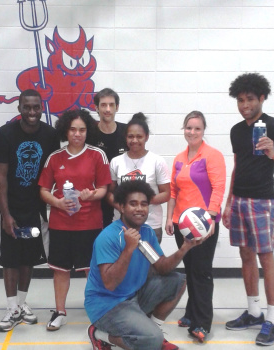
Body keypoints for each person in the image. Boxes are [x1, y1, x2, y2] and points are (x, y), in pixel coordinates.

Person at [222, 73, 274, 346]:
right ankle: (254, 311)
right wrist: (229, 202)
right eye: (240, 100)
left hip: (263, 201)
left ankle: (272, 319)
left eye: (250, 99)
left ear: (262, 98)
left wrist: (273, 153)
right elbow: (237, 167)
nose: (245, 105)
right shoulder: (236, 130)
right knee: (245, 255)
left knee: (266, 257)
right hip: (239, 200)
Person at [85, 181, 202, 350]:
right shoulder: (108, 237)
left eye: (144, 204)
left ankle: (155, 331)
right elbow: (110, 284)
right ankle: (99, 334)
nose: (139, 208)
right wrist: (128, 249)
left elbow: (161, 266)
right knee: (151, 341)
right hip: (106, 305)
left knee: (178, 281)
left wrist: (185, 248)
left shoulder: (146, 232)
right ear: (122, 207)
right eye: (133, 204)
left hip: (133, 296)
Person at [0, 89, 60, 332]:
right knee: (10, 257)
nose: (32, 112)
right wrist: (5, 213)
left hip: (36, 209)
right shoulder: (4, 135)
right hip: (11, 207)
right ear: (19, 108)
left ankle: (21, 304)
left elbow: (54, 171)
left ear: (41, 108)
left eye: (36, 107)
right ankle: (11, 308)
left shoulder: (51, 135)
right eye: (27, 107)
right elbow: (0, 177)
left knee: (28, 256)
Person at [38, 109, 112, 331]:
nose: (77, 134)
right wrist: (57, 203)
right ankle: (60, 312)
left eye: (82, 129)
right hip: (60, 224)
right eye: (73, 129)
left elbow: (104, 188)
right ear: (65, 131)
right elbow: (43, 190)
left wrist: (92, 195)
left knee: (92, 270)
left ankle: (97, 313)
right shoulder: (55, 157)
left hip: (90, 224)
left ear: (87, 131)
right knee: (60, 270)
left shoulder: (97, 155)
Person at [165, 111, 226, 342]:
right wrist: (170, 218)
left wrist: (210, 219)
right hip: (182, 225)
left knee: (201, 272)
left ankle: (202, 323)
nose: (192, 132)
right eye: (188, 128)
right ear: (184, 129)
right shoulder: (179, 157)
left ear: (203, 131)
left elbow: (218, 188)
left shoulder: (213, 155)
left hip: (203, 226)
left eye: (197, 128)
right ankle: (191, 314)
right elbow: (173, 190)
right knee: (189, 270)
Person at [108, 112, 170, 242]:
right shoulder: (116, 162)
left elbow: (166, 194)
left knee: (149, 263)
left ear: (146, 137)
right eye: (130, 136)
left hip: (150, 225)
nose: (134, 140)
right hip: (122, 225)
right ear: (125, 137)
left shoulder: (157, 161)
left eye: (139, 136)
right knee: (122, 262)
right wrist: (123, 207)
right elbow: (109, 193)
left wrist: (141, 204)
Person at [92, 88, 128, 227]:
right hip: (96, 197)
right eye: (103, 105)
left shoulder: (127, 132)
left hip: (120, 197)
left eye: (111, 105)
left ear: (117, 107)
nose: (107, 109)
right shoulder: (89, 134)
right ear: (96, 108)